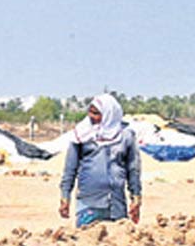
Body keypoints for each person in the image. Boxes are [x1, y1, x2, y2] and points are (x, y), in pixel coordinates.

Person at [58, 94, 142, 227]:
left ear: (109, 114)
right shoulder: (81, 134)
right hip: (89, 203)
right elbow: (70, 169)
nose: (91, 116)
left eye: (96, 113)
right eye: (90, 112)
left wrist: (136, 196)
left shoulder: (126, 136)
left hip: (116, 204)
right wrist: (65, 196)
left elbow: (133, 169)